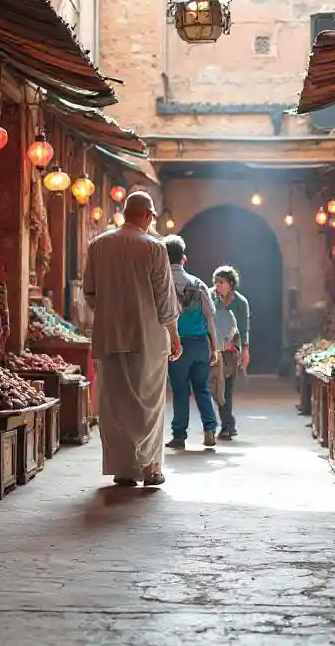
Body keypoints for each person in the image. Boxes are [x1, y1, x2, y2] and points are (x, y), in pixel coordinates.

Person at [82, 192, 182, 487]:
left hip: (108, 335)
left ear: (125, 213)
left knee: (115, 404)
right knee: (148, 403)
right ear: (148, 216)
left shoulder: (98, 245)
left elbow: (89, 292)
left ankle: (123, 469)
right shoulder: (155, 247)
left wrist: (110, 313)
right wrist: (174, 335)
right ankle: (150, 468)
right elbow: (165, 299)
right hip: (147, 337)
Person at [162, 235, 221, 450]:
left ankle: (179, 436)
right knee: (202, 389)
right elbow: (210, 318)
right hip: (199, 345)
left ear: (164, 259)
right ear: (183, 259)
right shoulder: (199, 284)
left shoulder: (162, 285)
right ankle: (209, 430)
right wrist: (214, 347)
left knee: (180, 392)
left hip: (175, 346)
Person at [212, 266, 250, 440]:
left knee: (227, 388)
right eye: (215, 282)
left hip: (231, 352)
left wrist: (245, 350)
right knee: (217, 387)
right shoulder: (210, 298)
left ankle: (227, 425)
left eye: (221, 282)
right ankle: (227, 424)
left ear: (231, 283)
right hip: (215, 350)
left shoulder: (240, 303)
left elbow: (243, 329)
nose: (217, 285)